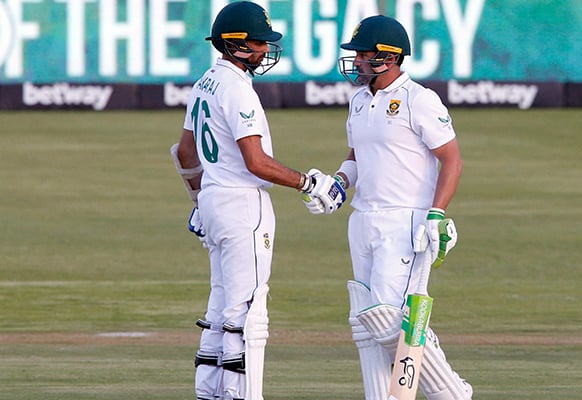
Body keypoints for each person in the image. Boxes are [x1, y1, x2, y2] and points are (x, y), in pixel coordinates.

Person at [170, 2, 345, 400]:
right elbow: (256, 161)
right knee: (243, 315)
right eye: (260, 42)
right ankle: (238, 395)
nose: (266, 50)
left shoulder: (204, 83)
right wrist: (308, 183)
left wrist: (199, 202)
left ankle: (209, 392)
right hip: (242, 205)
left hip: (213, 202)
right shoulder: (237, 90)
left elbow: (184, 153)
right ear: (237, 46)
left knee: (219, 308)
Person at [303, 15, 473, 400]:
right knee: (366, 323)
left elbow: (452, 159)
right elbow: (358, 154)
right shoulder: (360, 99)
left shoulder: (420, 99)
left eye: (363, 54)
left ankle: (451, 393)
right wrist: (339, 183)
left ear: (388, 57)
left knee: (389, 319)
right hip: (363, 218)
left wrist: (437, 213)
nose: (356, 61)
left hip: (406, 221)